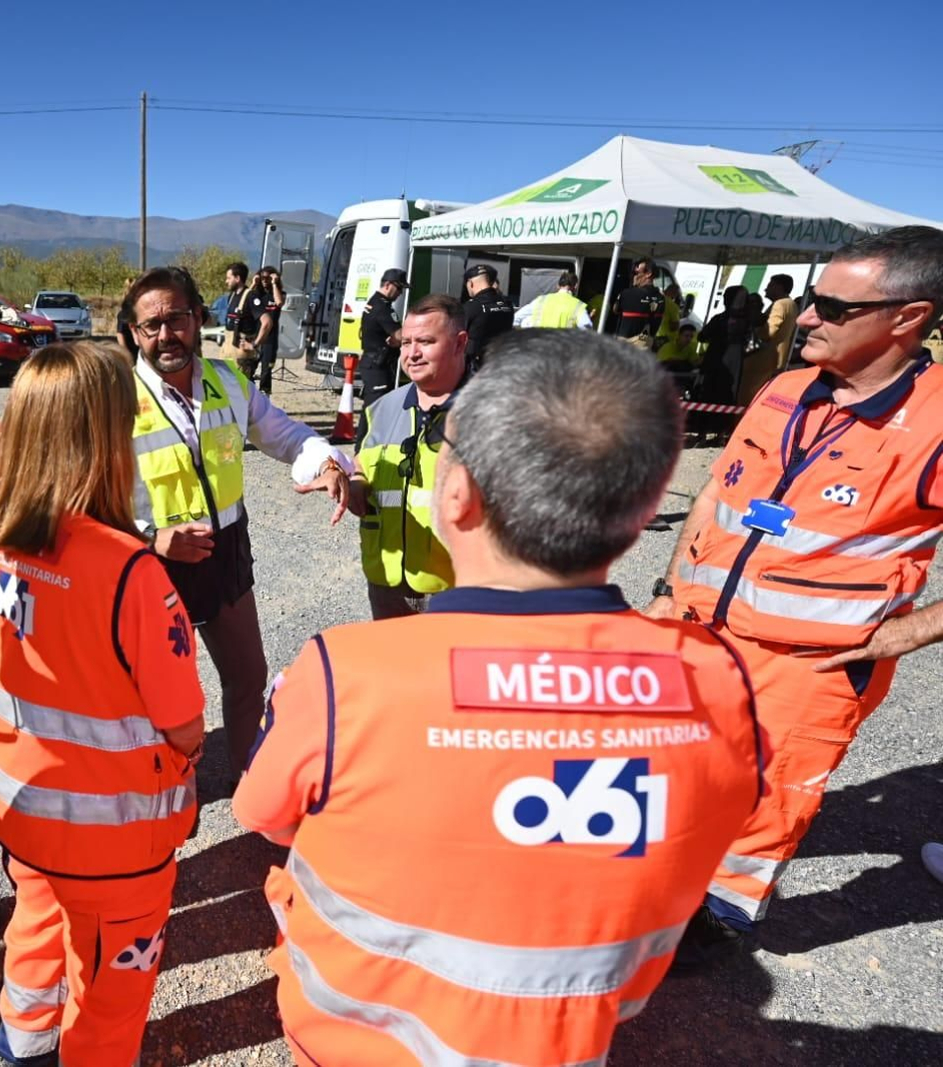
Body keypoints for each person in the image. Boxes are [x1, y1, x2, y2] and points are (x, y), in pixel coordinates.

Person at [234, 329, 763, 1066]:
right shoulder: (717, 682)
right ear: (642, 514)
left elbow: (261, 814)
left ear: (457, 497)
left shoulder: (344, 676)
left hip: (357, 1040)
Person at [652, 226, 943, 967]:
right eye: (814, 300)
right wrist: (668, 586)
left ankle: (709, 931)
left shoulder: (936, 420)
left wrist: (909, 631)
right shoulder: (784, 389)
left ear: (908, 317)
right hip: (696, 632)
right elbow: (718, 492)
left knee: (762, 804)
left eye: (833, 307)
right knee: (673, 774)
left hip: (807, 669)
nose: (807, 316)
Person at [0, 341, 206, 1066]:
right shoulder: (129, 570)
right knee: (110, 994)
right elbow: (184, 724)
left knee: (37, 925)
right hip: (113, 835)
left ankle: (23, 1044)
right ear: (105, 435)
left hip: (21, 805)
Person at [123, 266, 352, 783]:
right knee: (152, 695)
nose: (166, 335)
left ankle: (252, 783)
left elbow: (286, 434)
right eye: (151, 325)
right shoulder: (113, 396)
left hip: (224, 551)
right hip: (149, 564)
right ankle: (158, 795)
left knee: (248, 676)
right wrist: (151, 538)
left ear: (199, 317)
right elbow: (83, 496)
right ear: (135, 333)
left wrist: (325, 462)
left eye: (177, 319)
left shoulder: (227, 380)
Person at [348, 294, 465, 619]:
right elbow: (361, 463)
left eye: (425, 342)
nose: (412, 353)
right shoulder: (380, 409)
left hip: (458, 591)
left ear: (460, 343)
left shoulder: (494, 414)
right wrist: (355, 481)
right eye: (406, 342)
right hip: (387, 582)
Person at [357, 267, 410, 430]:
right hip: (377, 364)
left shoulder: (375, 302)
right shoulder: (382, 308)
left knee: (375, 407)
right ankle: (364, 442)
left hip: (374, 362)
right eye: (399, 288)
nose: (400, 293)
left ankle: (366, 440)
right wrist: (407, 334)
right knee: (375, 408)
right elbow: (399, 335)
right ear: (387, 285)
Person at [738, 272, 799, 402]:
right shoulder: (792, 305)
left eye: (770, 285)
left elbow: (769, 332)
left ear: (779, 287)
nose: (766, 289)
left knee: (749, 398)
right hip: (777, 361)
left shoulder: (779, 304)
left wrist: (756, 328)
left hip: (763, 361)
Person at [237, 266, 283, 392]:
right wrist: (253, 284)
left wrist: (274, 284)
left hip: (270, 338)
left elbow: (279, 303)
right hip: (255, 335)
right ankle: (248, 390)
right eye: (262, 278)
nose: (264, 280)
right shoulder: (256, 295)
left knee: (266, 368)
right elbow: (243, 301)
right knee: (249, 365)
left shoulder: (277, 293)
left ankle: (264, 392)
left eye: (267, 278)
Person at [460, 263, 515, 369]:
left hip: (478, 365)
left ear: (471, 283)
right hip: (502, 361)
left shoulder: (471, 307)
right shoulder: (507, 304)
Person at [614, 258, 666, 351]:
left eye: (636, 273)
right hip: (643, 341)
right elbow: (655, 324)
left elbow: (615, 310)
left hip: (624, 342)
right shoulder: (660, 298)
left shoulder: (626, 293)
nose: (633, 276)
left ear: (648, 274)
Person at [514, 270, 592, 330]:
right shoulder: (578, 306)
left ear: (558, 286)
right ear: (575, 287)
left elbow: (516, 318)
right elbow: (587, 328)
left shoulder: (541, 300)